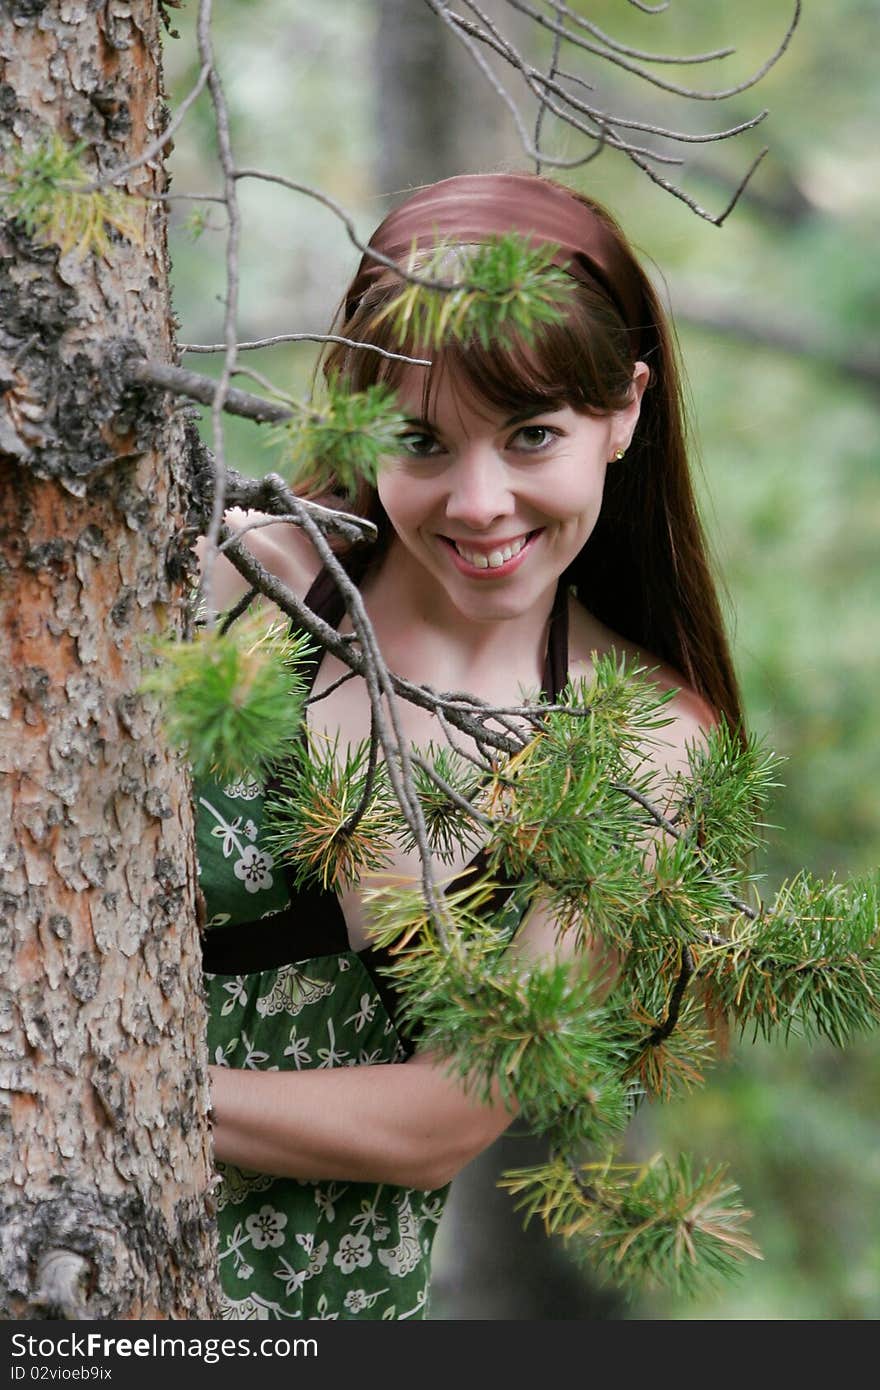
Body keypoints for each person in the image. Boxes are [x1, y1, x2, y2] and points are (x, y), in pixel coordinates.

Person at [196, 171, 743, 1320]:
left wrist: (94, 1090)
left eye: (532, 433)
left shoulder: (640, 744)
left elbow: (443, 1119)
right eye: (422, 442)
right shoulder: (236, 580)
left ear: (624, 410)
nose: (481, 502)